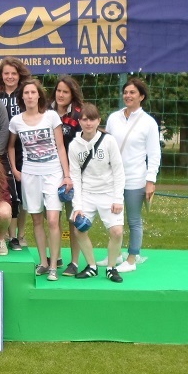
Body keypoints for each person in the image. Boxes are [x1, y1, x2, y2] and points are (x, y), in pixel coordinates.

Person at [8, 78, 72, 281]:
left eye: (33, 93)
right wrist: (15, 169)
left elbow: (61, 147)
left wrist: (67, 175)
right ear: (22, 97)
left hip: (53, 173)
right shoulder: (16, 121)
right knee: (36, 219)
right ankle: (43, 262)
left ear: (39, 95)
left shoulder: (51, 116)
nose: (29, 96)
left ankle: (54, 265)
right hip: (30, 174)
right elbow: (11, 146)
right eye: (26, 93)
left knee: (53, 219)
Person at [98, 77, 161, 273]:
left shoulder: (148, 122)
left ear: (141, 96)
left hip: (136, 178)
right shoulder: (114, 118)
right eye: (126, 92)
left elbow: (154, 153)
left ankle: (132, 259)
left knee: (134, 220)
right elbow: (107, 145)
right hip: (113, 178)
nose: (128, 95)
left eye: (133, 92)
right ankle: (115, 255)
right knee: (114, 219)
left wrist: (150, 181)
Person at [69, 103, 125, 283]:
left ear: (98, 121)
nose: (88, 123)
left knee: (117, 232)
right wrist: (77, 206)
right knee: (79, 229)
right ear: (79, 121)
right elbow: (75, 176)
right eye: (84, 119)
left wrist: (118, 199)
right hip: (86, 193)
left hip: (109, 193)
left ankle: (111, 267)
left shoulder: (108, 141)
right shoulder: (74, 146)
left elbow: (118, 170)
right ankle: (91, 266)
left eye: (92, 119)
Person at [0, 57, 31, 251]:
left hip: (24, 149)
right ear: (1, 75)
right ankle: (10, 235)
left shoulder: (26, 93)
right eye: (6, 73)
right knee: (10, 193)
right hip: (2, 150)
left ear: (19, 75)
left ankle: (22, 233)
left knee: (24, 193)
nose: (9, 77)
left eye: (13, 73)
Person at [48, 75, 84, 277]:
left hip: (72, 175)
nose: (61, 95)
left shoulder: (79, 115)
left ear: (72, 94)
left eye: (65, 92)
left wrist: (70, 174)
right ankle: (57, 256)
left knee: (73, 218)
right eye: (58, 91)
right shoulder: (46, 111)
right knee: (53, 218)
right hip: (51, 172)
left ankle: (75, 262)